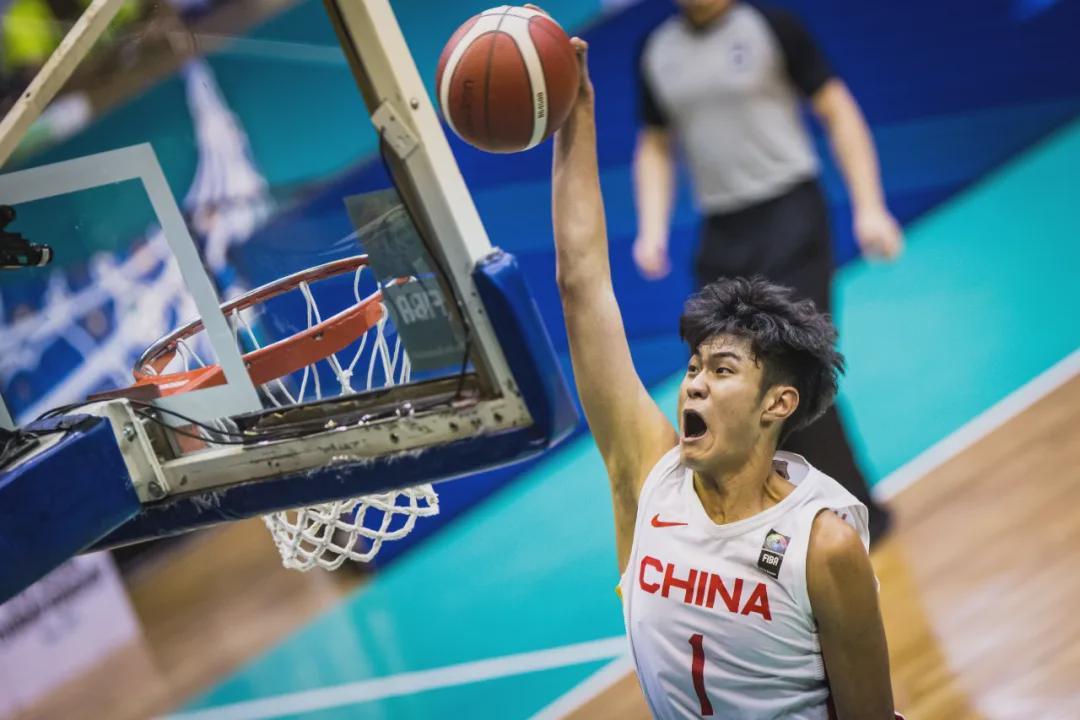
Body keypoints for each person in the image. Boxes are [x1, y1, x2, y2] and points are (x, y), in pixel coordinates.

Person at [552, 34, 897, 718]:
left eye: (722, 369)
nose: (694, 384)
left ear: (778, 403)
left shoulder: (823, 544)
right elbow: (581, 286)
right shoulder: (647, 481)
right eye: (693, 368)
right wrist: (575, 118)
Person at [632, 0, 901, 542]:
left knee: (790, 371)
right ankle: (780, 531)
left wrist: (870, 206)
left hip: (791, 214)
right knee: (725, 389)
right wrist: (651, 227)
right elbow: (655, 145)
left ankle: (853, 522)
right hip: (722, 234)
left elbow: (837, 110)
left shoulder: (770, 26)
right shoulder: (656, 52)